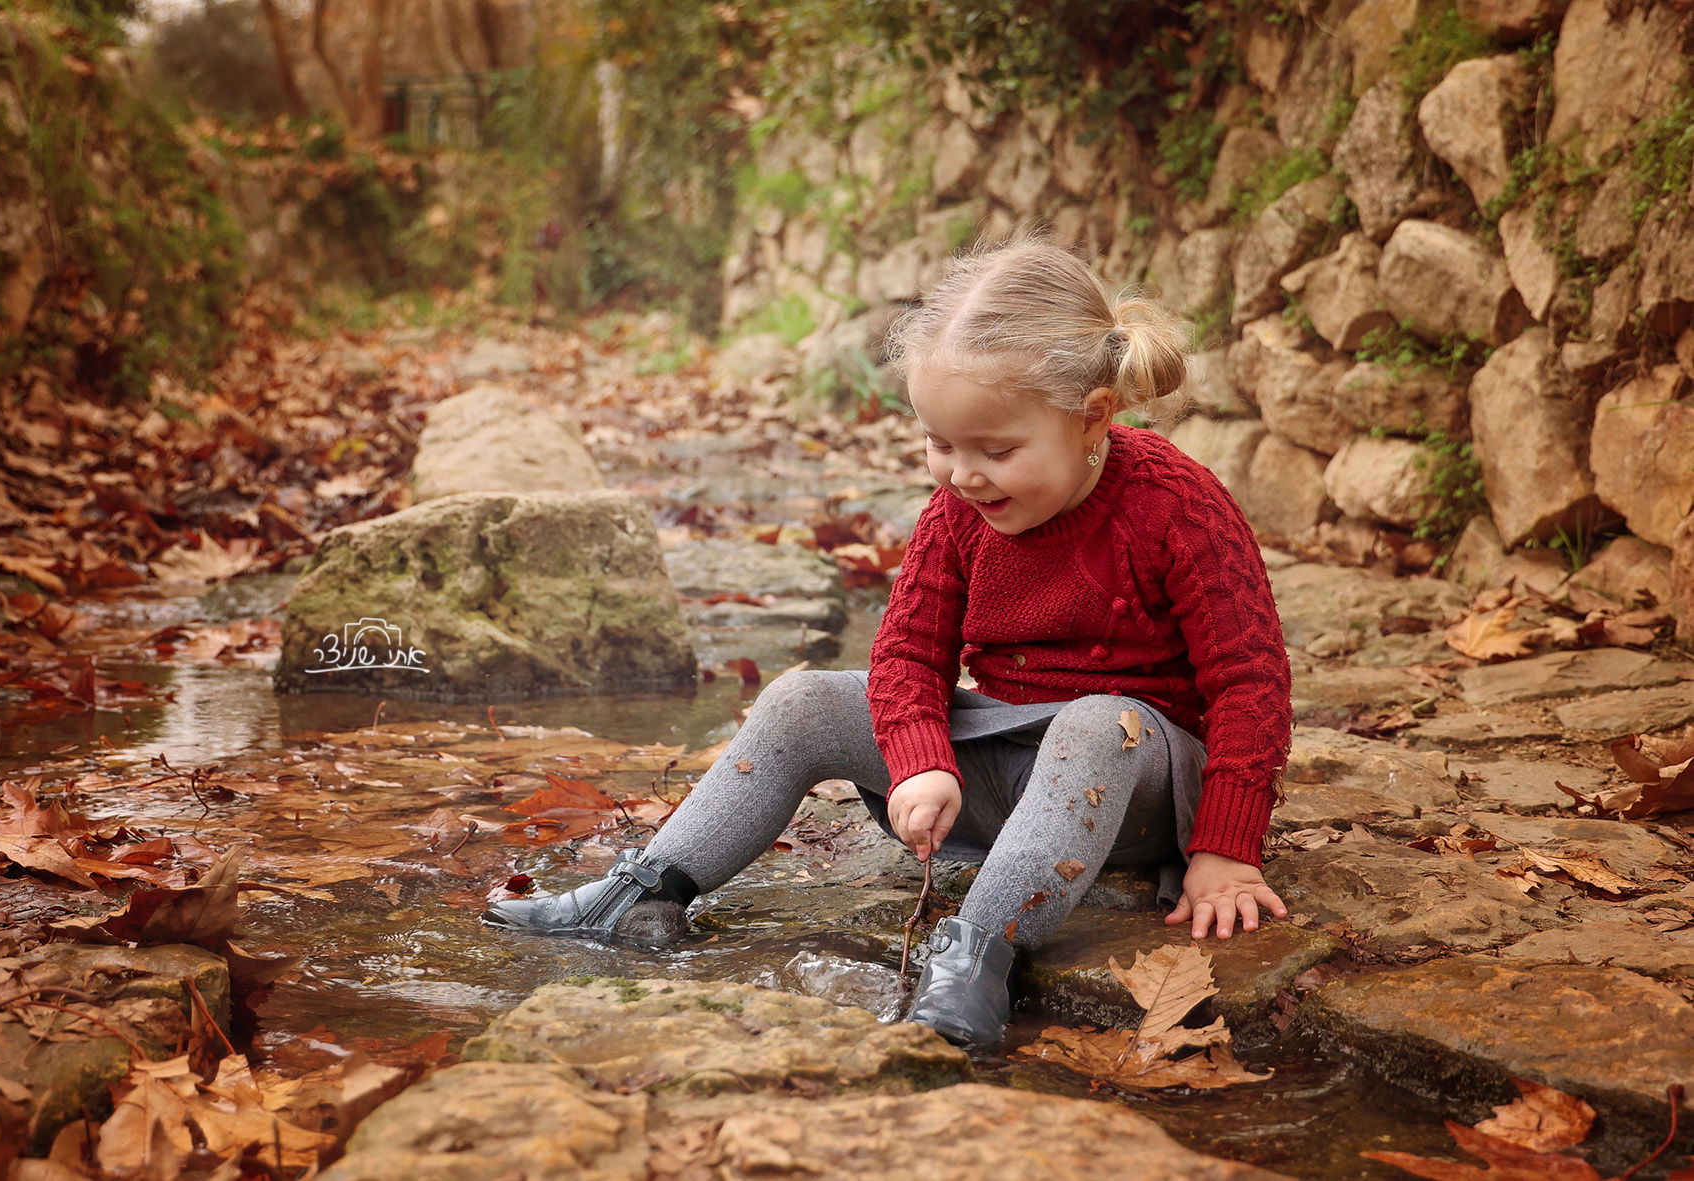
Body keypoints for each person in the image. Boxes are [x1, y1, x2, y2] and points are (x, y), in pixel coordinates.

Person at [483, 238, 1292, 1050]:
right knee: (802, 701)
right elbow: (906, 657)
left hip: (1134, 777)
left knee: (1094, 724)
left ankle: (976, 957)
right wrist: (921, 758)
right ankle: (645, 893)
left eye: (997, 450)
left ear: (1093, 417)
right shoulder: (957, 515)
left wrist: (1225, 848)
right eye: (940, 443)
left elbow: (1250, 680)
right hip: (1006, 760)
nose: (961, 475)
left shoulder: (1175, 504)